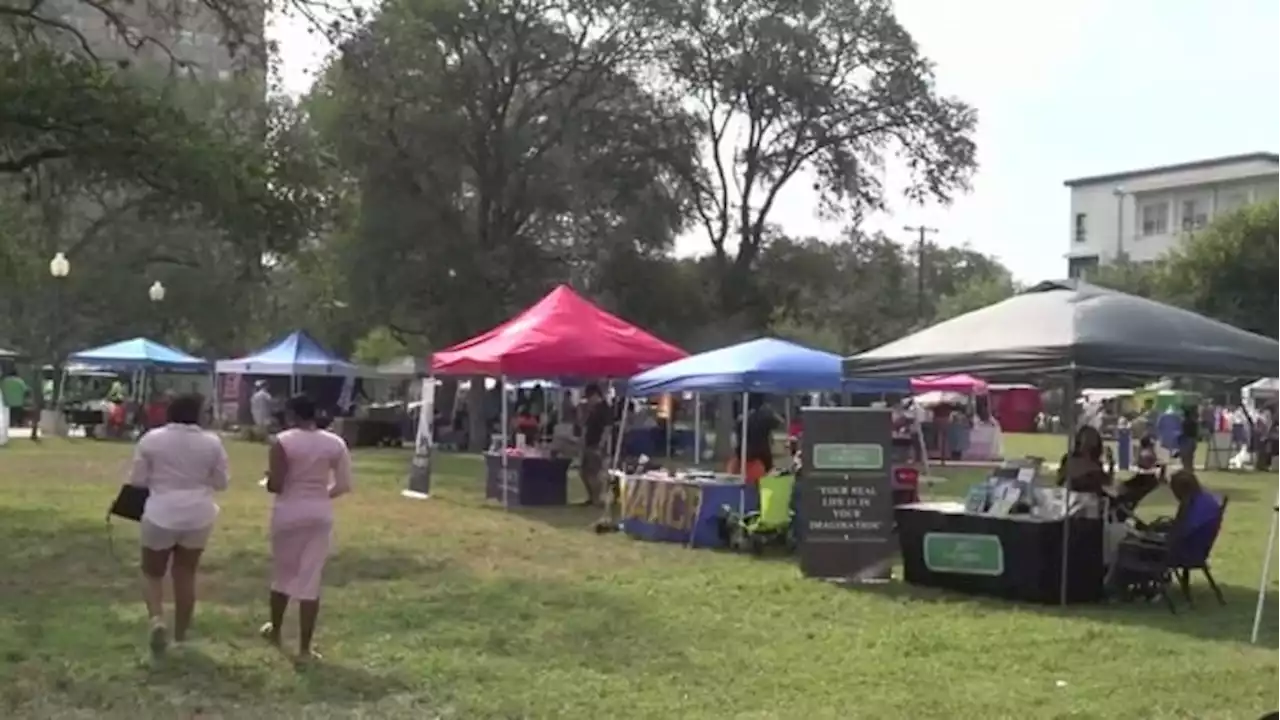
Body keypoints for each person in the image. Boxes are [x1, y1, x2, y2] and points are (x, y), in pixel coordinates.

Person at [127, 393, 229, 656]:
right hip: (199, 515)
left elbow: (137, 480)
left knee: (152, 572)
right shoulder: (212, 442)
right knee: (185, 574)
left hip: (160, 512)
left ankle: (157, 619)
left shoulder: (151, 439)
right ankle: (181, 636)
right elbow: (221, 482)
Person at [260, 394, 353, 659]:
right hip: (319, 510)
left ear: (291, 415)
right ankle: (304, 647)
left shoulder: (283, 442)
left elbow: (276, 484)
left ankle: (276, 629)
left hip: (289, 510)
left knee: (283, 571)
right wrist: (322, 494)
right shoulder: (335, 443)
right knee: (310, 578)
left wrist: (269, 480)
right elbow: (344, 484)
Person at [578, 384, 611, 506]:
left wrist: (601, 444)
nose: (588, 400)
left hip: (597, 444)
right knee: (584, 472)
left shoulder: (604, 408)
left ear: (596, 395)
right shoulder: (592, 410)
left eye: (589, 397)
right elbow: (585, 426)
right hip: (589, 443)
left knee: (594, 473)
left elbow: (607, 428)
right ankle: (591, 497)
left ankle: (597, 498)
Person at [1057, 424, 1114, 494]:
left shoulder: (1094, 464)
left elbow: (1107, 483)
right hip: (1076, 500)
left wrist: (1111, 465)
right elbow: (1107, 482)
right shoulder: (1070, 460)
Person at [1, 367, 28, 432]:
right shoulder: (20, 381)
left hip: (6, 403)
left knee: (7, 419)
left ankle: (8, 429)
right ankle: (16, 429)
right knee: (16, 418)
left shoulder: (4, 381)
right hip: (18, 403)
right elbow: (26, 390)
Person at [1178, 405, 1200, 470]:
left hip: (1186, 440)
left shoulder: (1185, 422)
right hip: (1192, 440)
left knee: (1185, 457)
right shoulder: (1194, 422)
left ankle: (1187, 468)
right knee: (1190, 456)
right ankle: (1189, 468)